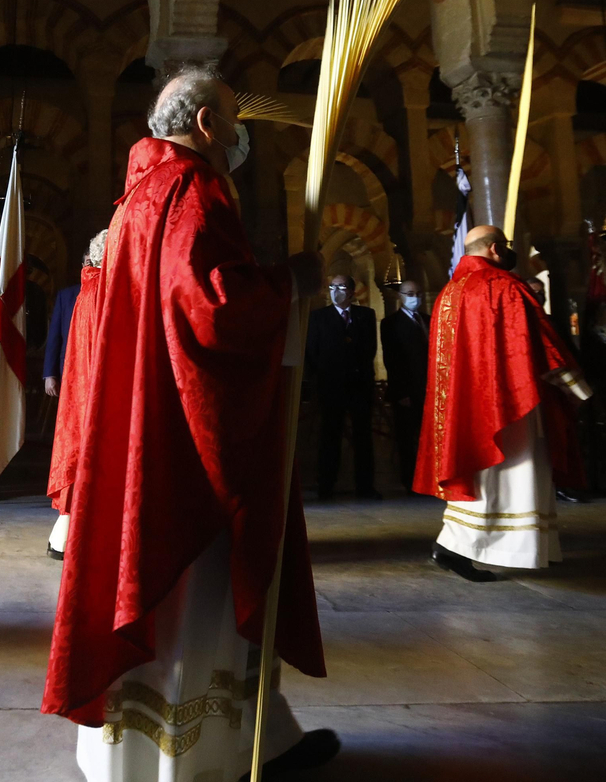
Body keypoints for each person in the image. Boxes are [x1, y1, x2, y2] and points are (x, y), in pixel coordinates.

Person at [43, 68, 337, 782]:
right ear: (206, 123)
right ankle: (201, 758)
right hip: (184, 441)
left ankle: (251, 741)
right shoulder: (192, 191)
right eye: (233, 124)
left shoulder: (135, 200)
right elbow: (213, 306)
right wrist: (289, 284)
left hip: (147, 428)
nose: (236, 139)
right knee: (198, 597)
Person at [414, 225, 590, 582]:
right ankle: (454, 548)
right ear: (495, 249)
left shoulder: (449, 293)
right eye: (507, 247)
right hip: (508, 404)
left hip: (466, 407)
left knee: (486, 480)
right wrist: (577, 387)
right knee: (511, 478)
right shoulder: (504, 286)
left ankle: (515, 547)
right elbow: (539, 341)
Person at [46, 230, 106, 560]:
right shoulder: (102, 293)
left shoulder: (89, 289)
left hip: (83, 394)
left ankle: (64, 536)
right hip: (96, 394)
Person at [306, 272, 380, 500]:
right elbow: (312, 353)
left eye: (340, 287)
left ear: (350, 291)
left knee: (363, 437)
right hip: (331, 386)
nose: (335, 291)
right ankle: (326, 485)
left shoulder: (365, 316)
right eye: (331, 287)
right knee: (330, 436)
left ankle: (365, 486)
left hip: (359, 385)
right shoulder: (319, 318)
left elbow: (369, 350)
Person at [380, 279, 429, 493]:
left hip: (430, 390)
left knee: (429, 438)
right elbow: (392, 360)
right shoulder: (391, 323)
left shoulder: (428, 320)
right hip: (407, 391)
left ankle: (429, 479)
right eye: (409, 293)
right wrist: (401, 392)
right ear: (400, 296)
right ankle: (411, 481)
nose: (414, 297)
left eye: (418, 292)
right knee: (407, 439)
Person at [44, 277, 81, 399]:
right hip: (68, 372)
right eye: (88, 263)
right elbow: (55, 336)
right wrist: (50, 374)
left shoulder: (111, 293)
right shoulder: (66, 296)